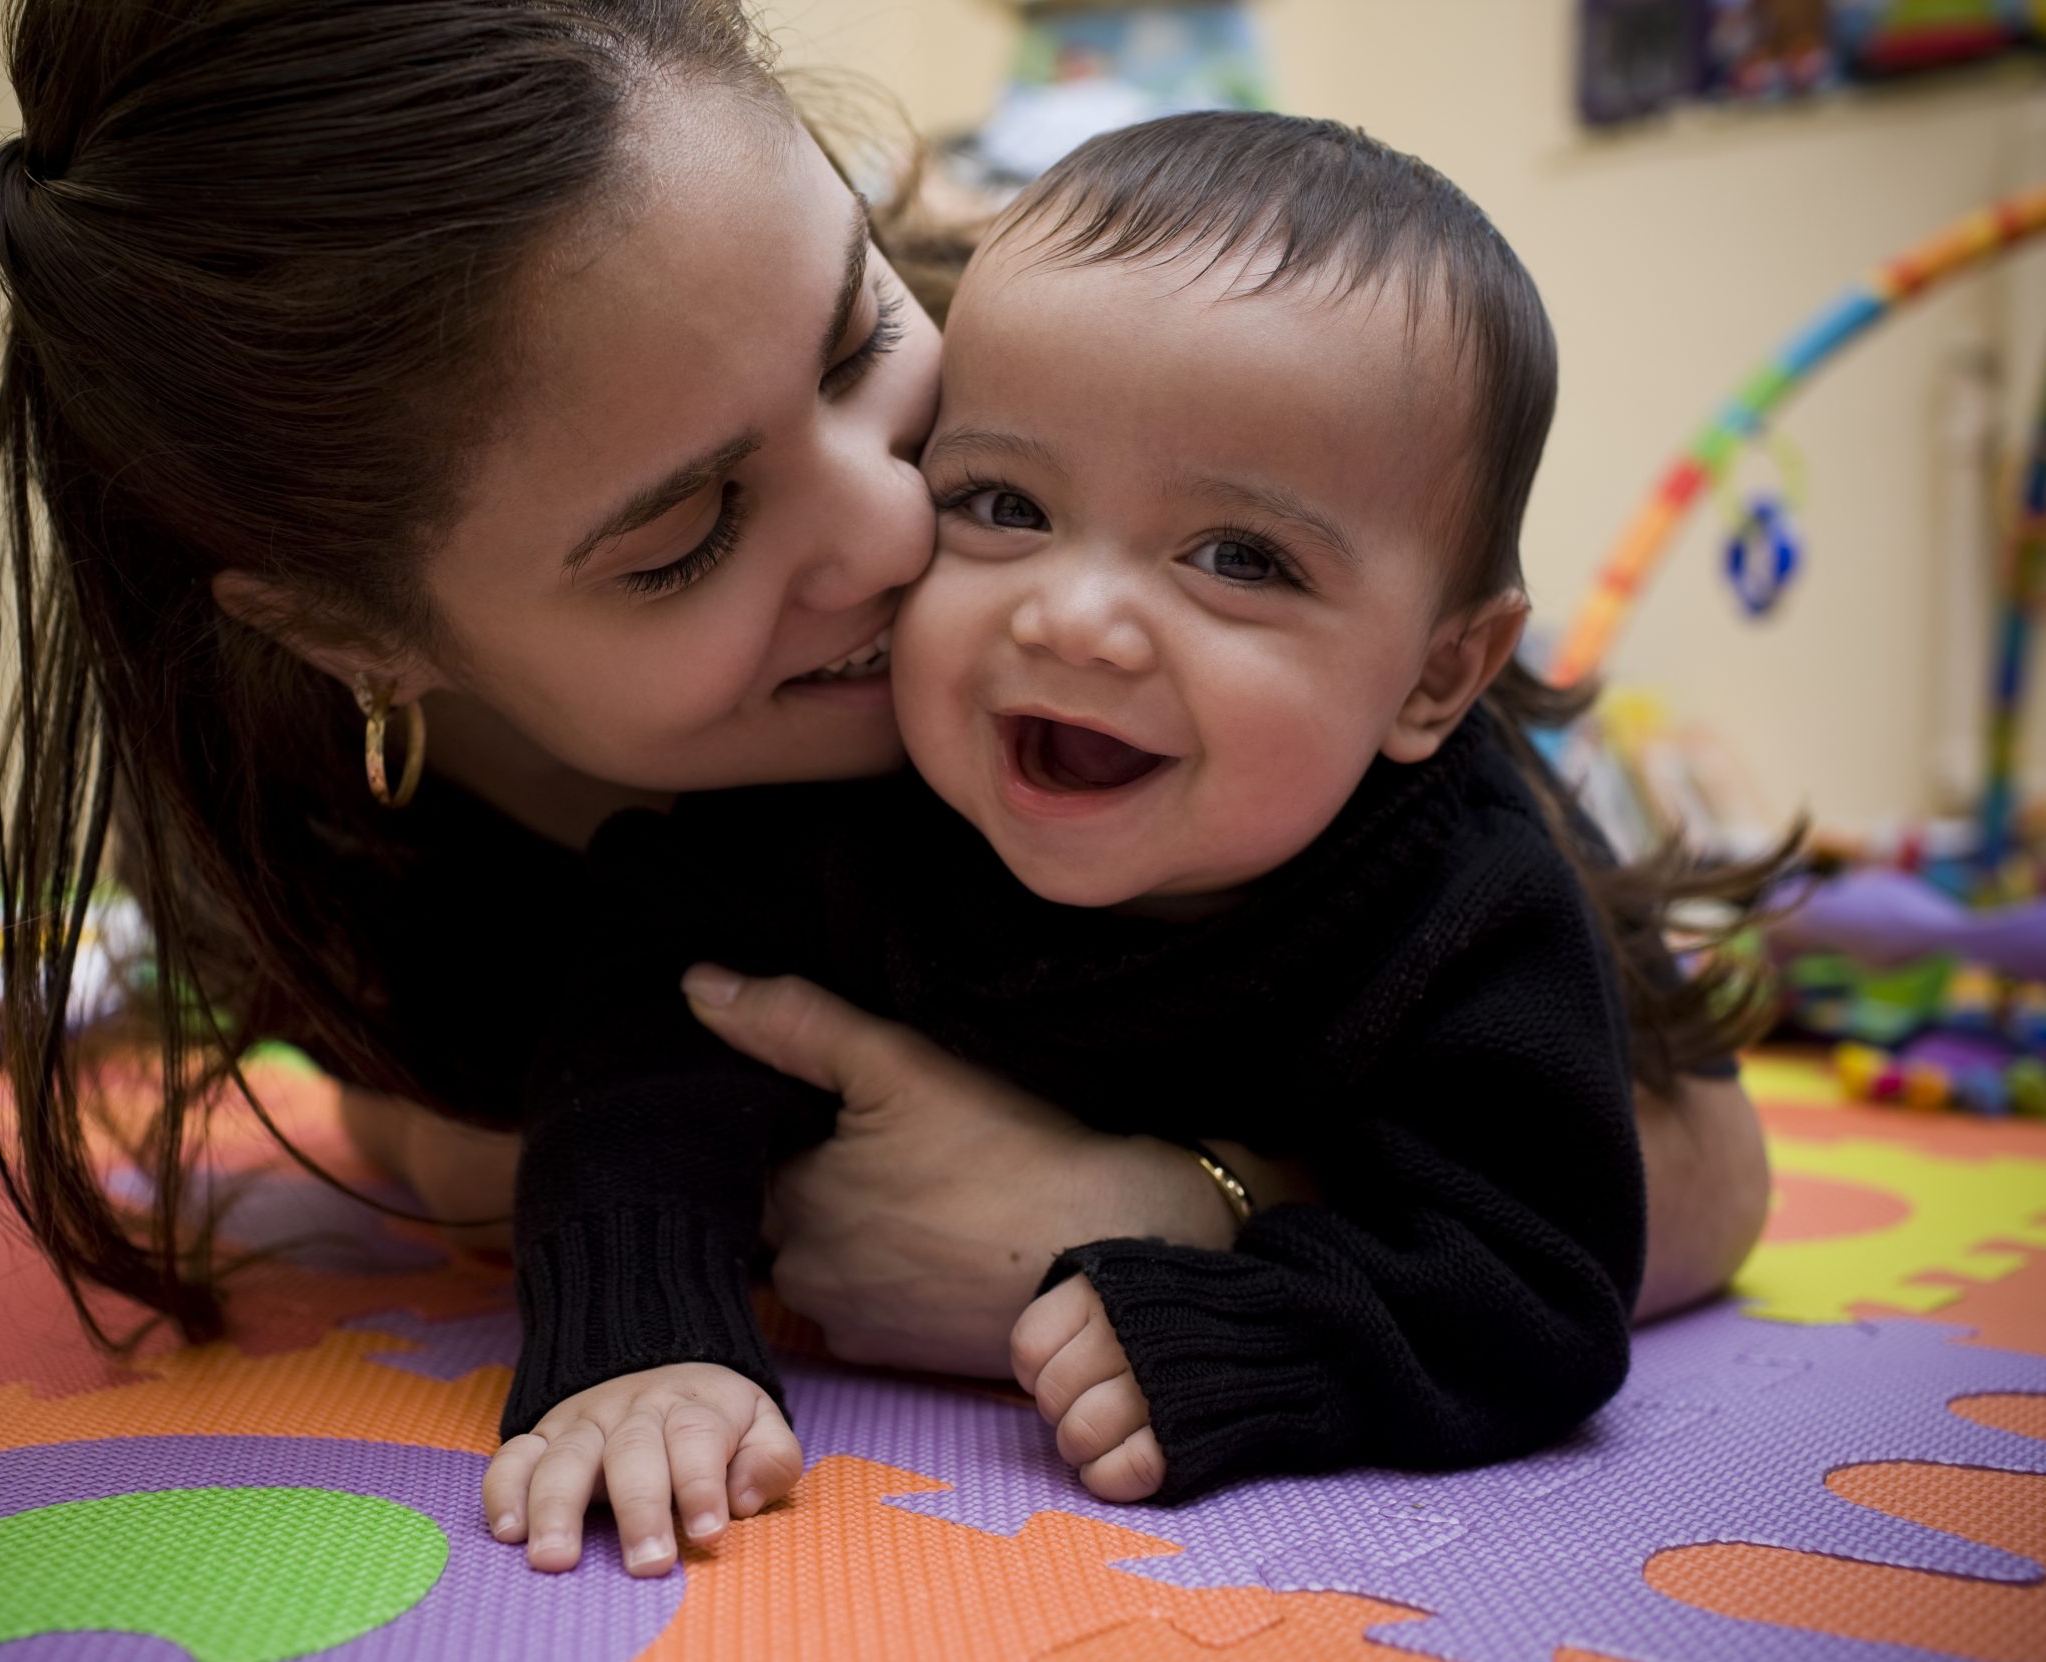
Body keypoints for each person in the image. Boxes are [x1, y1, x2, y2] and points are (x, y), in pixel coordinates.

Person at [0, 0, 1772, 1563]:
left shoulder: (1102, 373)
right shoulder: (302, 810)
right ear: (359, 640)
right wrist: (611, 1227)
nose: (906, 522)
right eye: (682, 534)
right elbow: (412, 1113)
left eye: (853, 346)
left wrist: (1171, 1212)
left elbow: (1687, 1166)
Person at [481, 111, 1794, 1575]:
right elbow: (639, 1051)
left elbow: (1538, 1282)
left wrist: (1231, 1313)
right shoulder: (835, 814)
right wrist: (642, 1345)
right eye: (1002, 505)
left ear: (1437, 674)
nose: (1075, 617)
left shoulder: (1464, 908)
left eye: (1239, 559)